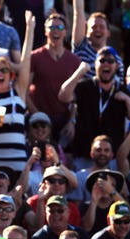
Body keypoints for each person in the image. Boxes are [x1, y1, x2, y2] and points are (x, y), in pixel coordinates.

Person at [58, 47, 130, 166]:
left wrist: (127, 100)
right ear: (95, 65)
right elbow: (63, 96)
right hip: (84, 156)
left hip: (111, 158)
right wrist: (79, 72)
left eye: (110, 61)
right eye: (102, 61)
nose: (106, 64)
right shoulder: (85, 86)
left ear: (116, 66)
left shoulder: (121, 90)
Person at [0, 11, 35, 170]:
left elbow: (26, 61)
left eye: (4, 70)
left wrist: (30, 28)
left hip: (18, 163)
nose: (0, 74)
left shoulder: (19, 91)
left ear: (10, 75)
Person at [29, 13, 81, 144]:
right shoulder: (35, 57)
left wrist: (71, 121)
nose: (55, 31)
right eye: (51, 27)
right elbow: (24, 90)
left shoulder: (74, 61)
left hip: (64, 120)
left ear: (65, 32)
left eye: (59, 27)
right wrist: (37, 115)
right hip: (40, 120)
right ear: (45, 31)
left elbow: (77, 97)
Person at [71, 0, 124, 79]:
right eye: (94, 27)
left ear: (108, 32)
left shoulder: (116, 59)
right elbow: (78, 11)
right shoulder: (80, 47)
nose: (98, 30)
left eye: (101, 27)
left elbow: (119, 85)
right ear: (86, 32)